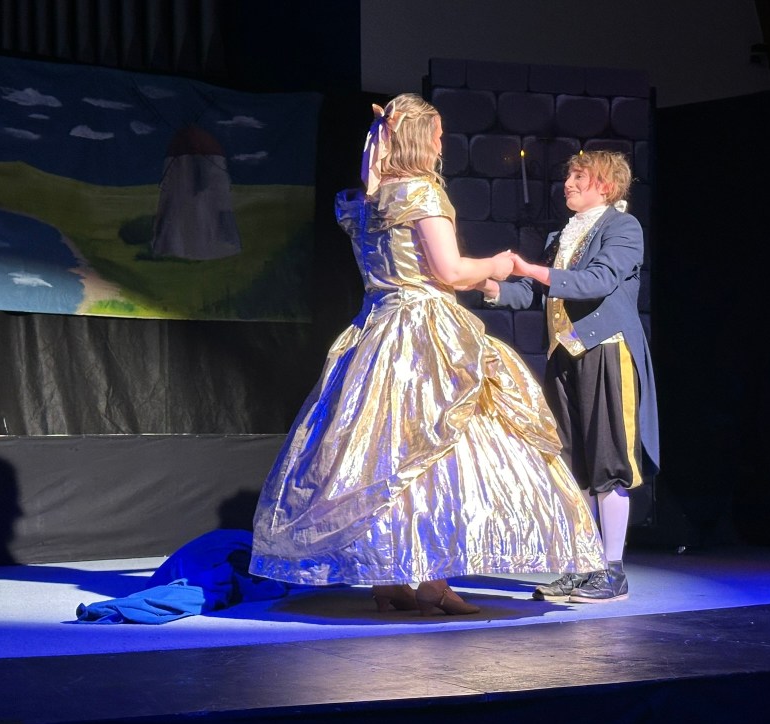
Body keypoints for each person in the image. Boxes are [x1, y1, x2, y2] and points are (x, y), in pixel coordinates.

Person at [248, 94, 606, 616]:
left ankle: (390, 580)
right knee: (434, 445)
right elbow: (448, 271)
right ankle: (432, 580)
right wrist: (497, 266)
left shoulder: (368, 200)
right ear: (421, 139)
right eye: (438, 136)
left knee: (382, 453)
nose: (442, 145)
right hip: (424, 332)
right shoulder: (421, 192)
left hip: (376, 330)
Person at [478, 149, 659, 602]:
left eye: (581, 177)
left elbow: (597, 281)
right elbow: (528, 291)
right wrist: (484, 282)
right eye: (570, 176)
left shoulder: (622, 228)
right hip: (565, 355)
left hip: (606, 350)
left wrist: (531, 269)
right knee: (572, 462)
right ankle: (582, 565)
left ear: (606, 186)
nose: (569, 183)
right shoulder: (561, 235)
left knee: (608, 461)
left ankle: (612, 571)